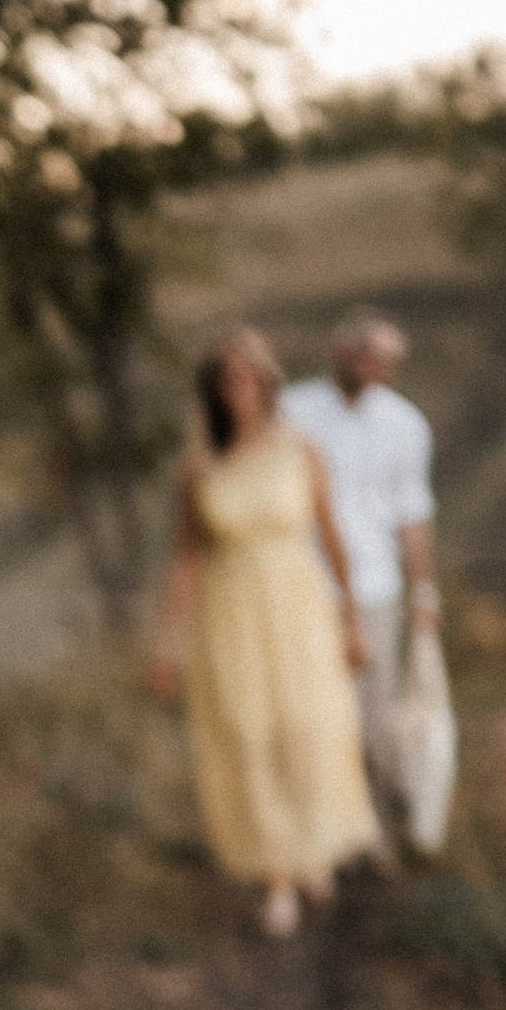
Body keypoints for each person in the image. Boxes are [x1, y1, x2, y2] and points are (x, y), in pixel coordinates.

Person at [150, 324, 379, 939]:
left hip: (298, 608)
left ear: (266, 381)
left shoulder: (299, 450)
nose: (238, 388)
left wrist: (353, 620)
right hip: (230, 613)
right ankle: (276, 872)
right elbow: (186, 560)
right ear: (214, 390)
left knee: (308, 727)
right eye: (226, 379)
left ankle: (315, 850)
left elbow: (333, 540)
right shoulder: (198, 466)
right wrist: (167, 644)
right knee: (249, 734)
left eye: (248, 376)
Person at [281, 311, 440, 829]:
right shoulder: (293, 412)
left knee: (373, 718)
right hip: (303, 586)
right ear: (342, 352)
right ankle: (318, 828)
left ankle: (377, 830)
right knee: (311, 717)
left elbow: (412, 516)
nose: (375, 368)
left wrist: (424, 593)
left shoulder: (405, 424)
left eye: (386, 361)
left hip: (374, 588)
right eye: (367, 356)